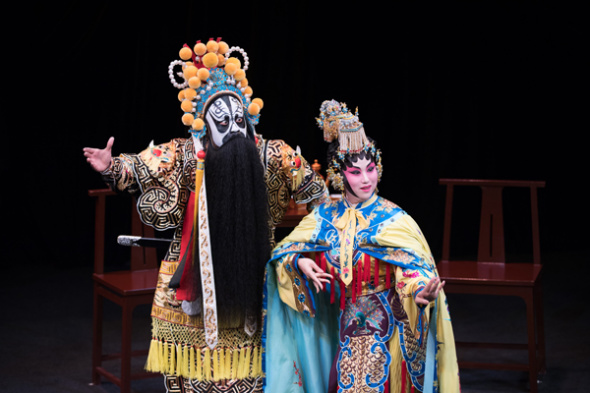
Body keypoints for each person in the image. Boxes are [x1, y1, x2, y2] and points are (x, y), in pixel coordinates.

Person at [84, 38, 328, 393]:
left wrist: (296, 251)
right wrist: (111, 167)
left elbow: (319, 196)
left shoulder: (273, 155)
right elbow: (139, 167)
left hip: (253, 287)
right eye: (221, 121)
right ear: (203, 127)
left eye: (238, 120)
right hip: (191, 293)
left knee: (253, 378)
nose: (233, 129)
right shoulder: (184, 156)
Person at [263, 100, 460, 393]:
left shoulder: (394, 220)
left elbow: (412, 268)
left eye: (370, 169)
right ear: (337, 175)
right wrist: (300, 262)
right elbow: (284, 252)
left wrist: (420, 292)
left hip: (390, 328)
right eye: (355, 172)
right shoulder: (324, 216)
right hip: (346, 326)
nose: (366, 179)